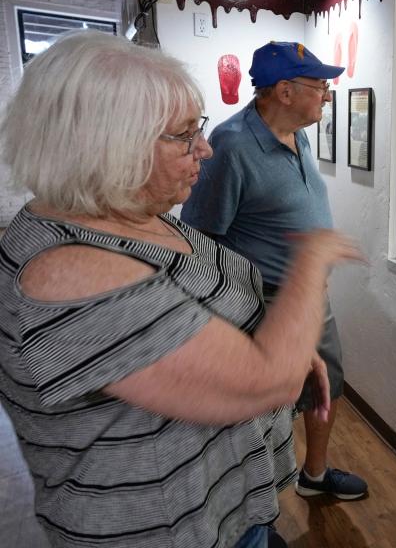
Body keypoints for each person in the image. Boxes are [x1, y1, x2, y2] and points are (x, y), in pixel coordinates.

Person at [0, 31, 362, 548]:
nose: (205, 148)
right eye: (184, 134)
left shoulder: (137, 217)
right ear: (107, 145)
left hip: (229, 508)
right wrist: (312, 258)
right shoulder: (68, 272)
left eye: (201, 128)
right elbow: (270, 382)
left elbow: (200, 295)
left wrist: (278, 334)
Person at [181, 41, 368, 500]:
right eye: (320, 85)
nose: (327, 94)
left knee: (329, 384)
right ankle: (260, 509)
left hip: (310, 297)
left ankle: (315, 478)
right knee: (265, 407)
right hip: (261, 300)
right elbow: (200, 238)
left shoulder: (299, 133)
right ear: (285, 90)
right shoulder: (231, 145)